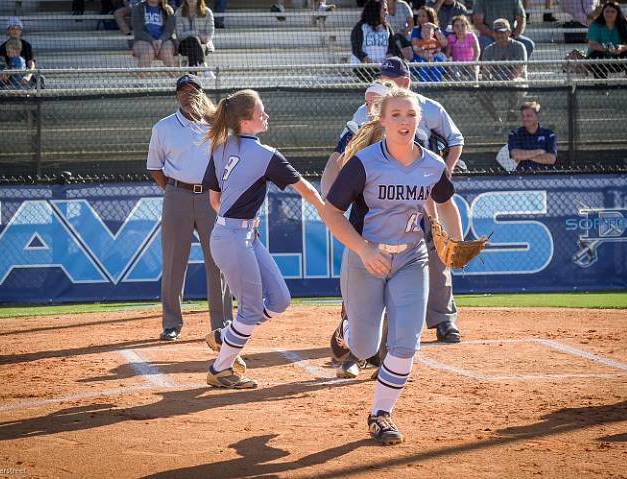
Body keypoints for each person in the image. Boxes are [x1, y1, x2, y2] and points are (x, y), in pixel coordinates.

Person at [323, 86, 464, 445]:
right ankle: (348, 333)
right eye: (397, 115)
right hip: (365, 257)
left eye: (411, 115)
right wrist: (364, 248)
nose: (405, 121)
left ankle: (380, 414)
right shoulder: (364, 163)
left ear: (420, 120)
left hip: (411, 257)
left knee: (404, 344)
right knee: (367, 348)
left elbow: (446, 203)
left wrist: (455, 243)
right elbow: (332, 213)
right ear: (382, 120)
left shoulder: (432, 164)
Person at [202, 89, 325, 389]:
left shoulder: (220, 147)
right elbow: (306, 190)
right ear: (245, 122)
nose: (266, 117)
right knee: (251, 310)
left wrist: (238, 223)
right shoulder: (264, 153)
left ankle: (225, 338)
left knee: (280, 300)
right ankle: (220, 369)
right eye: (261, 113)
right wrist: (328, 213)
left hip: (239, 234)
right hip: (233, 237)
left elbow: (214, 201)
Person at [146, 75, 234, 342]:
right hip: (177, 196)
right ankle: (171, 323)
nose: (188, 95)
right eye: (182, 91)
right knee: (174, 263)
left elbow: (230, 161)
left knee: (218, 261)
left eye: (193, 90)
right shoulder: (163, 127)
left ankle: (222, 323)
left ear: (201, 93)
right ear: (176, 96)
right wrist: (174, 190)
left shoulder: (217, 125)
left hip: (211, 197)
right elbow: (154, 167)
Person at [478, 19, 528, 123]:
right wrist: (487, 82)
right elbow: (486, 72)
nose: (499, 35)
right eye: (496, 32)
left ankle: (511, 113)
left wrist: (508, 81)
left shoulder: (519, 46)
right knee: (480, 92)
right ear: (493, 33)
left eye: (502, 32)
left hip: (516, 80)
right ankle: (497, 120)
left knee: (514, 84)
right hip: (496, 82)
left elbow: (519, 68)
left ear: (509, 32)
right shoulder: (488, 49)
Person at [350, 0, 403, 82]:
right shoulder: (361, 27)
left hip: (383, 68)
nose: (387, 13)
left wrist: (390, 54)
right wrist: (369, 62)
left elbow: (393, 46)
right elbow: (356, 49)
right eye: (384, 10)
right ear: (375, 10)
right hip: (363, 68)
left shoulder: (386, 28)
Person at [586, 1, 627, 79]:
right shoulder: (595, 24)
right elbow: (592, 44)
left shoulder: (624, 23)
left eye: (612, 12)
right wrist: (607, 48)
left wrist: (621, 48)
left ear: (618, 13)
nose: (609, 14)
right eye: (607, 11)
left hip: (619, 61)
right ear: (602, 13)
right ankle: (601, 86)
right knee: (597, 55)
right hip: (599, 61)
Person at [506, 101, 557, 171]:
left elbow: (551, 159)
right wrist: (539, 152)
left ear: (538, 116)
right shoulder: (515, 134)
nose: (525, 119)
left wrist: (524, 156)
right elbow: (516, 155)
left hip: (544, 176)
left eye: (528, 116)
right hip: (521, 176)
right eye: (523, 116)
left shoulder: (548, 134)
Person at [175, 0, 215, 76]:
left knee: (193, 43)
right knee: (192, 40)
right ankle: (203, 66)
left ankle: (193, 75)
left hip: (202, 45)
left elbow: (209, 35)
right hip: (183, 45)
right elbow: (179, 35)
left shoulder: (207, 12)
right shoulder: (179, 13)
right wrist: (198, 33)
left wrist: (199, 37)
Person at [132, 0, 177, 68]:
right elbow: (138, 31)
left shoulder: (168, 9)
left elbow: (169, 31)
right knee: (148, 52)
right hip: (142, 40)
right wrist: (152, 40)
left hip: (164, 40)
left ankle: (174, 77)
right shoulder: (137, 8)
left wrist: (160, 40)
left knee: (166, 52)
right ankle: (141, 78)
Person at [0, 17, 36, 86]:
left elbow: (31, 63)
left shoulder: (27, 45)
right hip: (9, 74)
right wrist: (3, 74)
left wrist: (27, 76)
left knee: (39, 79)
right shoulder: (3, 46)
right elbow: (1, 63)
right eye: (12, 28)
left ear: (21, 31)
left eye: (18, 29)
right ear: (8, 31)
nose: (15, 31)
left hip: (23, 74)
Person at [445, 14, 480, 81]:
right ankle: (458, 89)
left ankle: (474, 88)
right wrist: (448, 65)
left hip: (471, 61)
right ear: (453, 28)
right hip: (457, 62)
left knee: (473, 71)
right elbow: (448, 53)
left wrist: (474, 61)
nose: (460, 28)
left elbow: (477, 50)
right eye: (457, 26)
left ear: (467, 27)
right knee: (454, 72)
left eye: (463, 25)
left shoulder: (471, 36)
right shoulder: (450, 38)